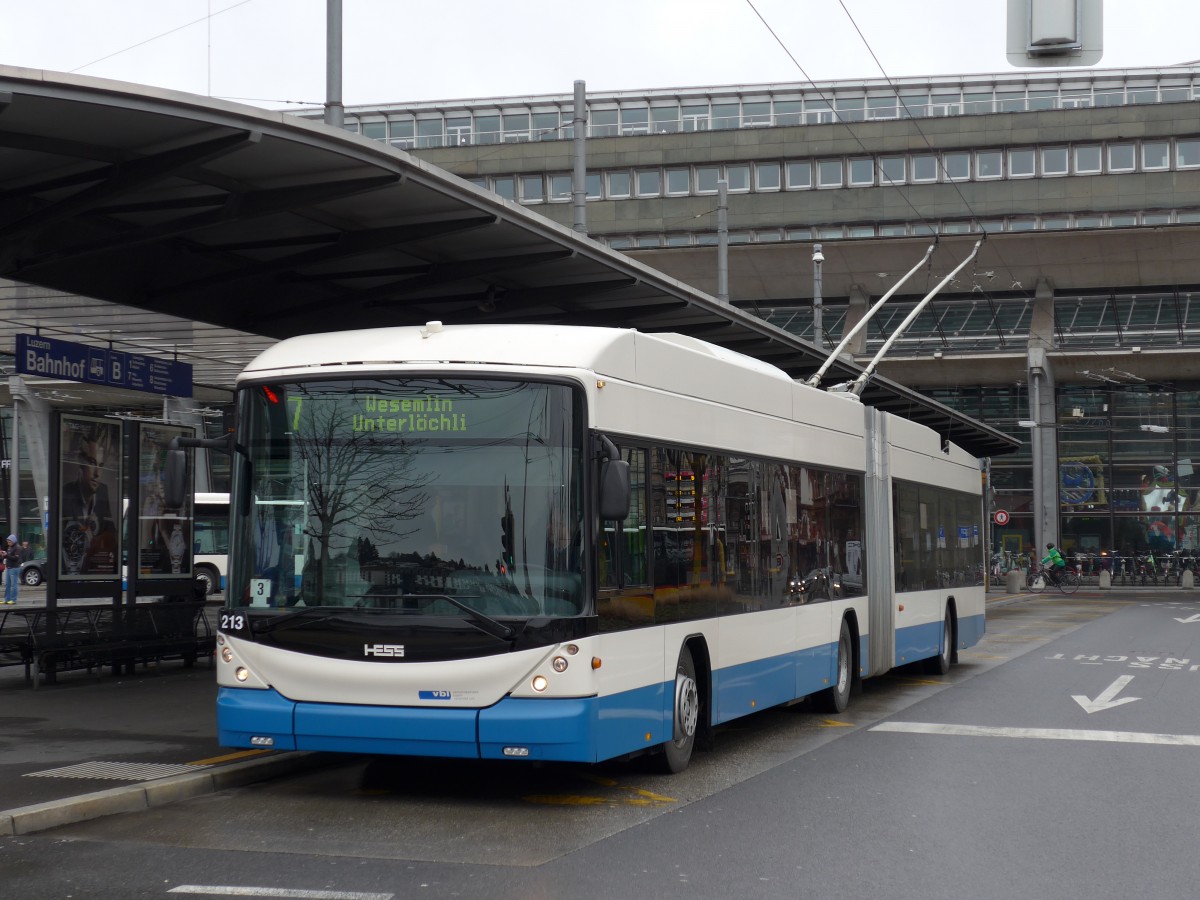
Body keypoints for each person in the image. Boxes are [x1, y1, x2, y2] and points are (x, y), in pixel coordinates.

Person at [61, 433, 118, 574]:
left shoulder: (102, 491)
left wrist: (96, 537)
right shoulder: (66, 494)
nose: (98, 473)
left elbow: (112, 535)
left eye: (101, 465)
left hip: (95, 568)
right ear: (80, 463)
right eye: (92, 463)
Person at [3, 535, 21, 604]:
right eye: (7, 542)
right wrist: (4, 555)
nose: (8, 543)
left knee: (14, 585)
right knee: (7, 584)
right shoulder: (10, 547)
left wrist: (6, 555)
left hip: (14, 568)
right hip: (9, 567)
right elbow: (8, 556)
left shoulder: (17, 548)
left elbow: (15, 558)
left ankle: (13, 600)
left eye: (9, 541)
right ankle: (7, 599)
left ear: (13, 541)